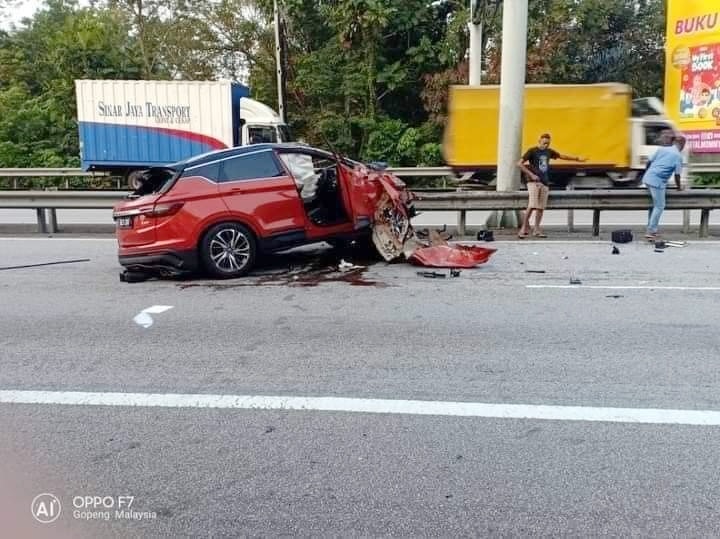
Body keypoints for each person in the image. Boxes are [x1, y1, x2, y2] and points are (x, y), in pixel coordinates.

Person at [516, 133, 585, 238]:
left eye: (548, 143)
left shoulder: (549, 152)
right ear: (539, 141)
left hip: (544, 182)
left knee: (541, 207)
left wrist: (576, 159)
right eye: (544, 143)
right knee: (532, 205)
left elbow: (562, 156)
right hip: (533, 182)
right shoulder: (532, 151)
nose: (546, 145)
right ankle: (524, 228)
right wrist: (531, 174)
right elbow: (519, 163)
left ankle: (536, 229)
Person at [643, 135, 686, 240]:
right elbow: (677, 175)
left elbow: (648, 161)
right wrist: (679, 187)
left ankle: (652, 229)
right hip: (657, 182)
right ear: (682, 144)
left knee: (655, 205)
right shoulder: (678, 156)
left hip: (647, 178)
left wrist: (649, 173)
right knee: (660, 206)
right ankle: (651, 231)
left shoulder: (662, 149)